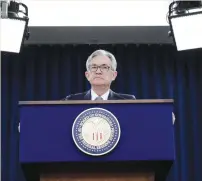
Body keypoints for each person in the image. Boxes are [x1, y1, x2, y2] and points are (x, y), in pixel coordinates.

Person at [63, 49, 136, 100]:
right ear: (87, 75)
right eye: (94, 67)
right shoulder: (72, 101)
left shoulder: (127, 102)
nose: (98, 71)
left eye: (104, 67)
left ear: (114, 75)